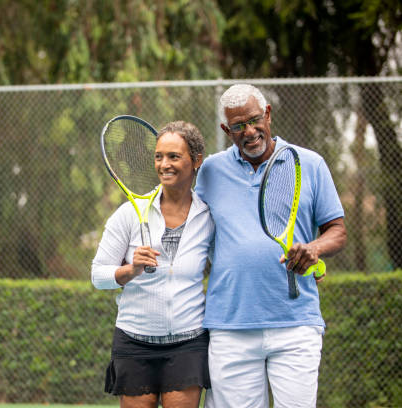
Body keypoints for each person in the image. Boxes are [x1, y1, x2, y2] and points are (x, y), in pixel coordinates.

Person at [195, 84, 347, 407]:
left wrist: (315, 249)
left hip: (295, 323)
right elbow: (193, 228)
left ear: (267, 114)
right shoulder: (210, 171)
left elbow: (337, 230)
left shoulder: (310, 163)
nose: (249, 131)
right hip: (230, 326)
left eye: (253, 120)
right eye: (238, 126)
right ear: (226, 129)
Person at [92, 121, 214, 408]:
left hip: (188, 342)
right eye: (159, 156)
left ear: (196, 161)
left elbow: (230, 263)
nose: (164, 164)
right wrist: (130, 270)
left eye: (174, 156)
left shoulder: (208, 217)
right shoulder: (128, 214)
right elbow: (98, 275)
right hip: (134, 342)